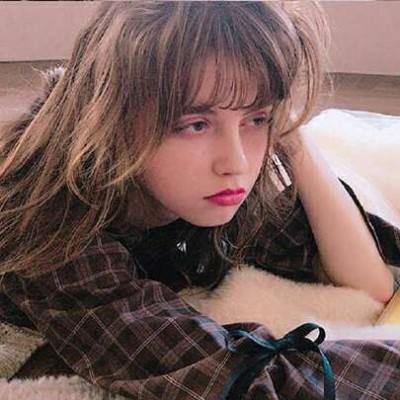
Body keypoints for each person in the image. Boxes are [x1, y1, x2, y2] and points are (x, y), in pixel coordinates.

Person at [0, 1, 399, 399]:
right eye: (195, 125)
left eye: (256, 118)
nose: (236, 162)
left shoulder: (209, 179)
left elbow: (372, 283)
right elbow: (241, 384)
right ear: (115, 120)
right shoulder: (49, 219)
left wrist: (293, 142)